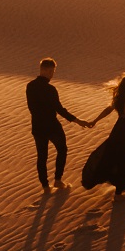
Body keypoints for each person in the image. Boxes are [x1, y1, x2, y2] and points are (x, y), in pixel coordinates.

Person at [25, 58, 89, 192]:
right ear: (44, 70)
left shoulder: (30, 86)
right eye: (50, 71)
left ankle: (45, 186)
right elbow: (59, 109)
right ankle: (58, 180)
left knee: (42, 156)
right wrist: (78, 121)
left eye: (53, 71)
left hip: (37, 126)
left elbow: (32, 108)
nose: (52, 74)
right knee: (62, 149)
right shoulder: (50, 89)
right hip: (52, 126)